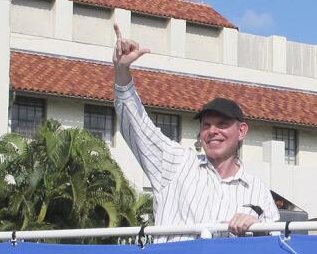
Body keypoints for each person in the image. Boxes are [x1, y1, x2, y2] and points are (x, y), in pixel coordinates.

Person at [113, 25, 277, 238]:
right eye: (206, 125)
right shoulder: (175, 163)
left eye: (222, 124)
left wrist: (258, 229)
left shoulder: (259, 190)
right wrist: (121, 70)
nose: (212, 131)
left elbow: (278, 246)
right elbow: (137, 126)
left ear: (242, 130)